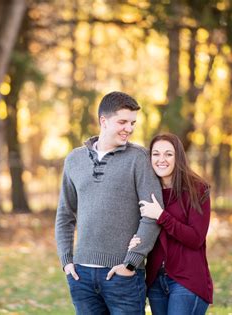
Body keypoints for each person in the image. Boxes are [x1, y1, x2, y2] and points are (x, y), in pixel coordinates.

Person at [55, 91, 164, 314]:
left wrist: (131, 263)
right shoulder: (74, 160)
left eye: (133, 123)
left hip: (123, 276)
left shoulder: (139, 158)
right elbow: (65, 215)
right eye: (122, 121)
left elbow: (152, 215)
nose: (129, 128)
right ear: (103, 121)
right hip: (81, 276)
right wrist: (67, 261)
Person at [129, 133, 213, 315]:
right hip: (155, 281)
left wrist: (161, 215)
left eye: (168, 154)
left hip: (187, 280)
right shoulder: (147, 190)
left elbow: (196, 238)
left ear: (178, 157)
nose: (161, 160)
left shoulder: (197, 189)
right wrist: (134, 239)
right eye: (156, 154)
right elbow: (142, 226)